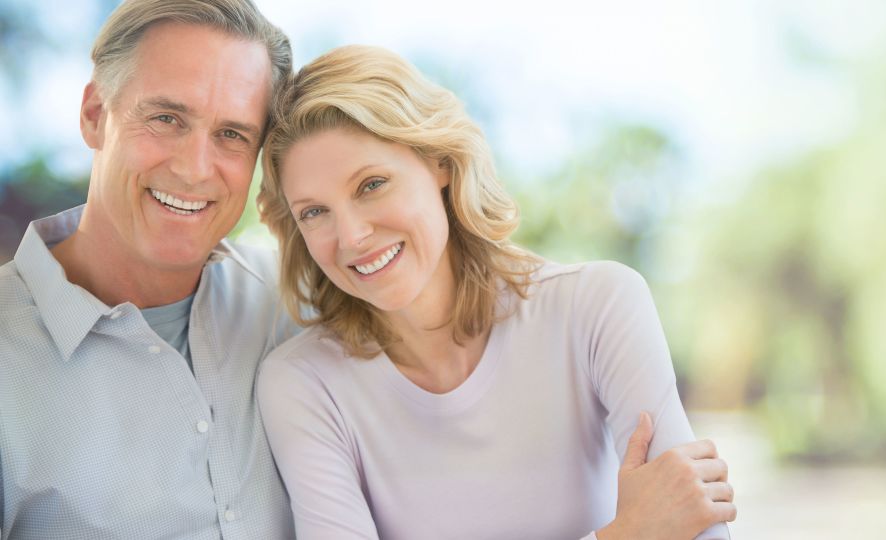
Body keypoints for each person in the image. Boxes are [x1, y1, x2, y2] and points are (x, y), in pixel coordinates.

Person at [257, 45, 736, 540]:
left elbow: (695, 524)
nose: (352, 236)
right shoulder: (303, 384)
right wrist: (626, 534)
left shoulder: (597, 307)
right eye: (314, 212)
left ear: (439, 162)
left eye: (372, 184)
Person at [0, 0, 297, 538]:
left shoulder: (295, 306)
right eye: (166, 118)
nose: (193, 168)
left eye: (232, 134)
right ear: (95, 115)